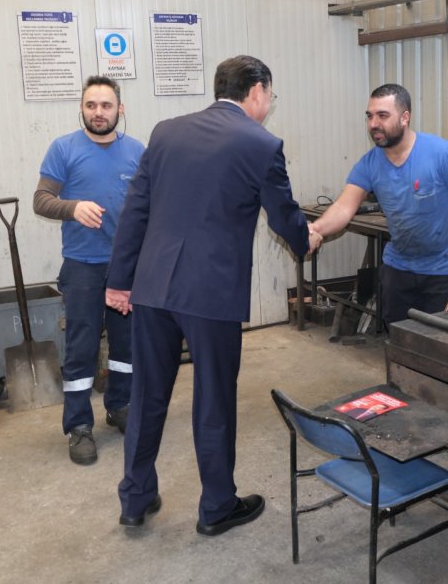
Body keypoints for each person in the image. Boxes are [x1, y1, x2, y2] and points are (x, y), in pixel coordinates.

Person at [105, 55, 321, 536]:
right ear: (257, 90)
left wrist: (119, 280)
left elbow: (135, 210)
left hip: (153, 287)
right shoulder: (261, 144)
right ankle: (218, 506)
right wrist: (306, 239)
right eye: (270, 96)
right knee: (214, 399)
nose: (269, 104)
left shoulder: (166, 132)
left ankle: (135, 499)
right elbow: (284, 216)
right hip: (212, 293)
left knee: (147, 396)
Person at [310, 83, 448, 327]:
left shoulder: (441, 154)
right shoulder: (369, 164)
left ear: (405, 117)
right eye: (370, 116)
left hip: (445, 272)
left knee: (443, 345)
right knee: (400, 342)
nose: (373, 124)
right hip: (399, 269)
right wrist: (316, 229)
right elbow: (344, 207)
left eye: (383, 115)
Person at [33, 75, 144, 466]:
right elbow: (41, 200)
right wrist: (73, 207)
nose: (99, 112)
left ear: (120, 109)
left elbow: (151, 205)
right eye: (91, 105)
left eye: (106, 105)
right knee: (81, 349)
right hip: (82, 267)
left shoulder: (137, 151)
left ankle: (120, 405)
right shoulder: (64, 148)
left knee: (127, 345)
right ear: (81, 108)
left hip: (127, 267)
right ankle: (79, 425)